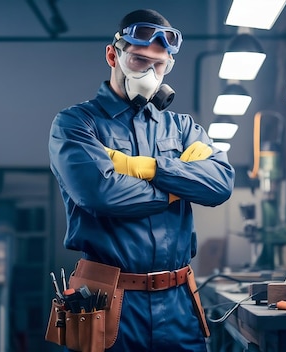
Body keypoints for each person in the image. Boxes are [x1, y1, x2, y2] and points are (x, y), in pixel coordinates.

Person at [48, 8, 235, 352]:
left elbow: (220, 183)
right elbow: (101, 194)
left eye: (158, 64)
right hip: (110, 304)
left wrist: (146, 168)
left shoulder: (182, 127)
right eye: (137, 60)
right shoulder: (76, 125)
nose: (149, 71)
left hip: (179, 302)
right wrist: (178, 190)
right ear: (113, 55)